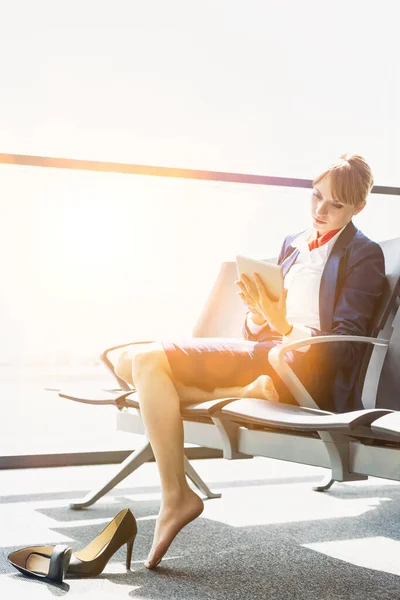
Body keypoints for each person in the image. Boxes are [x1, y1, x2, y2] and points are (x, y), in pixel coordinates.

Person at [114, 153, 385, 569]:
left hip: (305, 368)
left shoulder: (363, 255)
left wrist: (283, 327)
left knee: (147, 362)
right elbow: (256, 333)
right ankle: (244, 392)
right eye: (316, 197)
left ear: (358, 208)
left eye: (335, 205)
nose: (320, 210)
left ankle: (176, 497)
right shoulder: (292, 245)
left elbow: (347, 347)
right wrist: (259, 316)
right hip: (267, 355)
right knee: (127, 362)